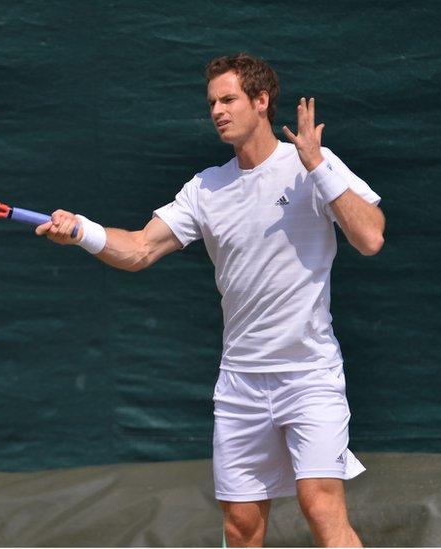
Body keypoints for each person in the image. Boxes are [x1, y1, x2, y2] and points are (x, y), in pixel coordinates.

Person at [36, 53, 384, 547]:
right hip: (240, 383)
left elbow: (370, 238)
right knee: (241, 528)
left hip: (309, 376)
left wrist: (318, 166)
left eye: (229, 99)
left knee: (321, 506)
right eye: (212, 103)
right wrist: (84, 234)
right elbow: (139, 249)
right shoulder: (206, 188)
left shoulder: (312, 166)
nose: (217, 111)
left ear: (261, 101)